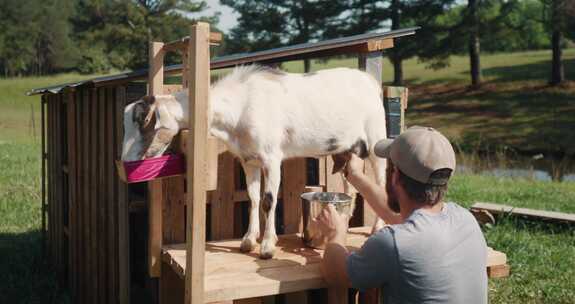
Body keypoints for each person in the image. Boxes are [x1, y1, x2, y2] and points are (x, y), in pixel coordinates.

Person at [318, 126, 488, 304]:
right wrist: (356, 176)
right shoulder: (466, 220)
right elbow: (406, 222)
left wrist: (335, 233)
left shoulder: (393, 243)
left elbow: (336, 273)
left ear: (396, 175)